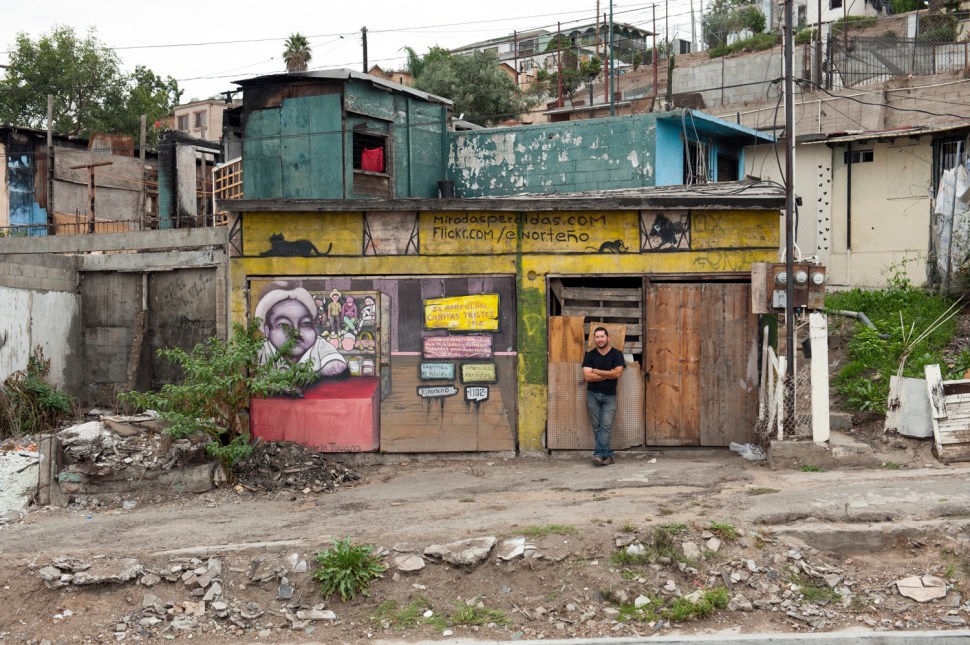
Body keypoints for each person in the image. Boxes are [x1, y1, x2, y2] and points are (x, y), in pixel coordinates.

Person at [254, 281, 348, 377]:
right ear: (267, 331)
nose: (296, 332)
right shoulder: (261, 350)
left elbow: (335, 364)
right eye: (283, 325)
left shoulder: (319, 346)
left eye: (305, 324)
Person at [582, 326, 625, 467]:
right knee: (597, 427)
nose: (600, 339)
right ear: (594, 339)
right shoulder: (590, 355)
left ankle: (598, 455)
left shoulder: (617, 354)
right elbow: (588, 377)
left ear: (608, 338)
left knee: (605, 426)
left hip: (609, 396)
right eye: (597, 337)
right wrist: (608, 374)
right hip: (592, 395)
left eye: (602, 336)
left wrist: (597, 371)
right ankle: (608, 455)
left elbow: (617, 373)